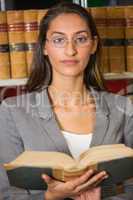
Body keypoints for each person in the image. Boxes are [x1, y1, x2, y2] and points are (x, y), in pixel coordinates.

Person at [0, 2, 133, 200]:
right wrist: (50, 197)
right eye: (58, 40)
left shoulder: (122, 108)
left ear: (94, 45)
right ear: (45, 47)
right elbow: (5, 193)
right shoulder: (12, 111)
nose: (70, 50)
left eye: (80, 39)